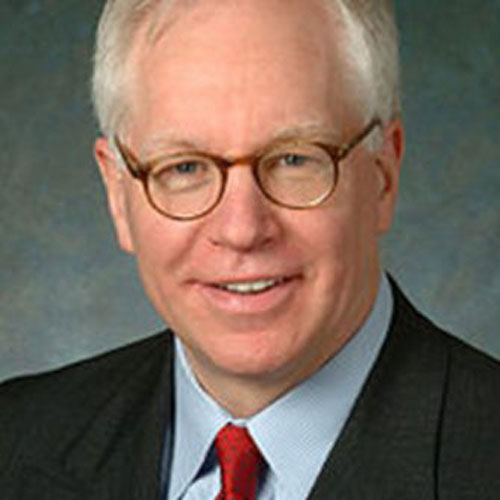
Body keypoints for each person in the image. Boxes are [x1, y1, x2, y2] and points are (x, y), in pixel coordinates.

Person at [1, 0, 499, 498]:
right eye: (184, 167)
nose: (242, 229)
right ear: (117, 194)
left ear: (382, 176)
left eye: (294, 159)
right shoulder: (15, 439)